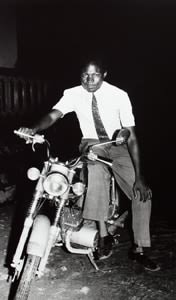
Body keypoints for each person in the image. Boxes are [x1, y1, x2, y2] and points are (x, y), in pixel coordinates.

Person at [17, 57, 160, 271]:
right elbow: (53, 115)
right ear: (80, 75)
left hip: (118, 143)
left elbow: (131, 136)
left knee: (142, 194)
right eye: (85, 74)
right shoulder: (72, 94)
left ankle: (139, 248)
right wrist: (34, 128)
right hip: (92, 144)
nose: (89, 79)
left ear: (104, 74)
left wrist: (140, 177)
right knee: (95, 168)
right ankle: (103, 236)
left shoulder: (119, 95)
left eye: (95, 74)